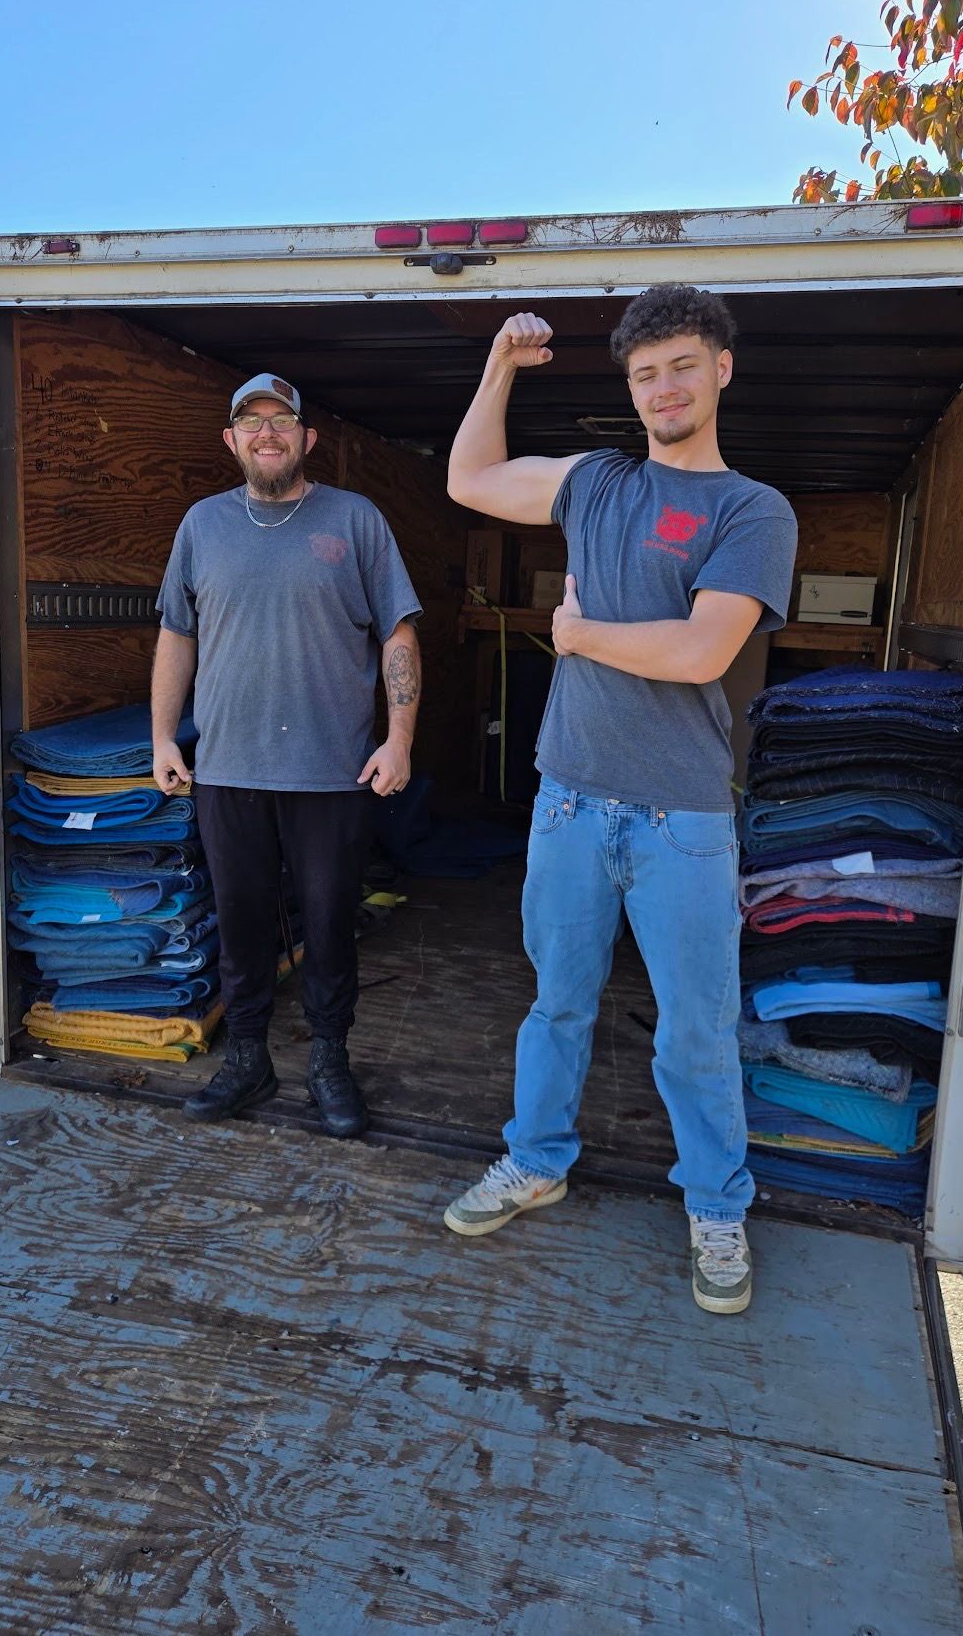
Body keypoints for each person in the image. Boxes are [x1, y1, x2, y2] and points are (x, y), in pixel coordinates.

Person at [442, 287, 797, 1314]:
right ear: (629, 388)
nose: (664, 387)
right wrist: (501, 365)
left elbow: (700, 650)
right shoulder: (594, 482)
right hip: (568, 806)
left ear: (721, 368)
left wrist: (579, 634)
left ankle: (717, 1206)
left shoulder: (751, 510)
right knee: (555, 1003)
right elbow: (469, 478)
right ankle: (536, 1159)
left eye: (682, 365)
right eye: (645, 373)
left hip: (683, 820)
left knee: (696, 1027)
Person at [153, 372, 423, 1138]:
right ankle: (248, 1059)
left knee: (332, 924)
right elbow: (178, 634)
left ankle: (330, 1060)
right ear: (232, 441)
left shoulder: (356, 519)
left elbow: (399, 632)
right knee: (239, 924)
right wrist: (163, 736)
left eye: (282, 421)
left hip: (331, 771)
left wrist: (398, 739)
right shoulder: (201, 526)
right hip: (228, 768)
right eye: (251, 421)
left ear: (307, 439)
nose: (267, 433)